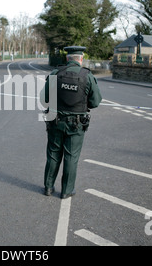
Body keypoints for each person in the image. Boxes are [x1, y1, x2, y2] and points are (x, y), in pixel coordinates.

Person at [40, 46, 102, 199]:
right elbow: (95, 102)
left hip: (55, 121)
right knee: (71, 156)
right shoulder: (87, 76)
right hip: (76, 124)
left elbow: (45, 99)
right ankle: (67, 190)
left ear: (67, 59)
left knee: (53, 154)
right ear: (80, 59)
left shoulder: (55, 74)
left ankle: (48, 187)